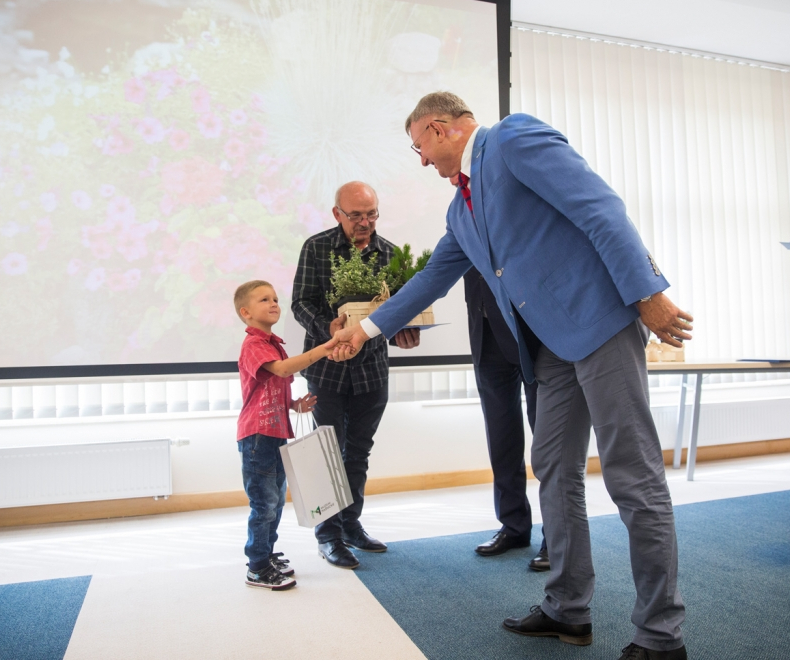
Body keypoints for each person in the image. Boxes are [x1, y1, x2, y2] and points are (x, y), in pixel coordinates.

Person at [331, 92, 693, 660]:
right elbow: (431, 278)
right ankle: (567, 610)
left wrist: (646, 292)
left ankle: (660, 636)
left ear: (441, 127)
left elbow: (600, 208)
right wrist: (367, 329)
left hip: (600, 324)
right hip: (550, 350)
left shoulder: (512, 139)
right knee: (552, 467)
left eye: (419, 146)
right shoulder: (460, 211)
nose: (421, 160)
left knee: (632, 475)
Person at [291, 181, 421, 569]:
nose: (365, 223)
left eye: (372, 214)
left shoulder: (391, 255)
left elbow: (395, 317)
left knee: (358, 452)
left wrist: (404, 336)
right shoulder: (316, 248)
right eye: (356, 216)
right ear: (337, 214)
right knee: (326, 452)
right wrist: (327, 328)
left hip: (371, 373)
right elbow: (300, 303)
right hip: (326, 369)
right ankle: (327, 536)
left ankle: (351, 525)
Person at [233, 280, 337, 590]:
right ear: (246, 312)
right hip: (257, 437)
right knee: (263, 503)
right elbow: (280, 371)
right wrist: (325, 347)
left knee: (276, 501)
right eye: (264, 299)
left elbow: (271, 387)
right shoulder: (254, 345)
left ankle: (266, 553)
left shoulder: (272, 343)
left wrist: (293, 404)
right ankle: (257, 566)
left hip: (275, 432)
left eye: (275, 298)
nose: (274, 303)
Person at [465, 267, 547, 570]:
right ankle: (513, 526)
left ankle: (557, 537)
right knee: (501, 438)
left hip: (535, 332)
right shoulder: (463, 219)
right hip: (486, 332)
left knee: (548, 441)